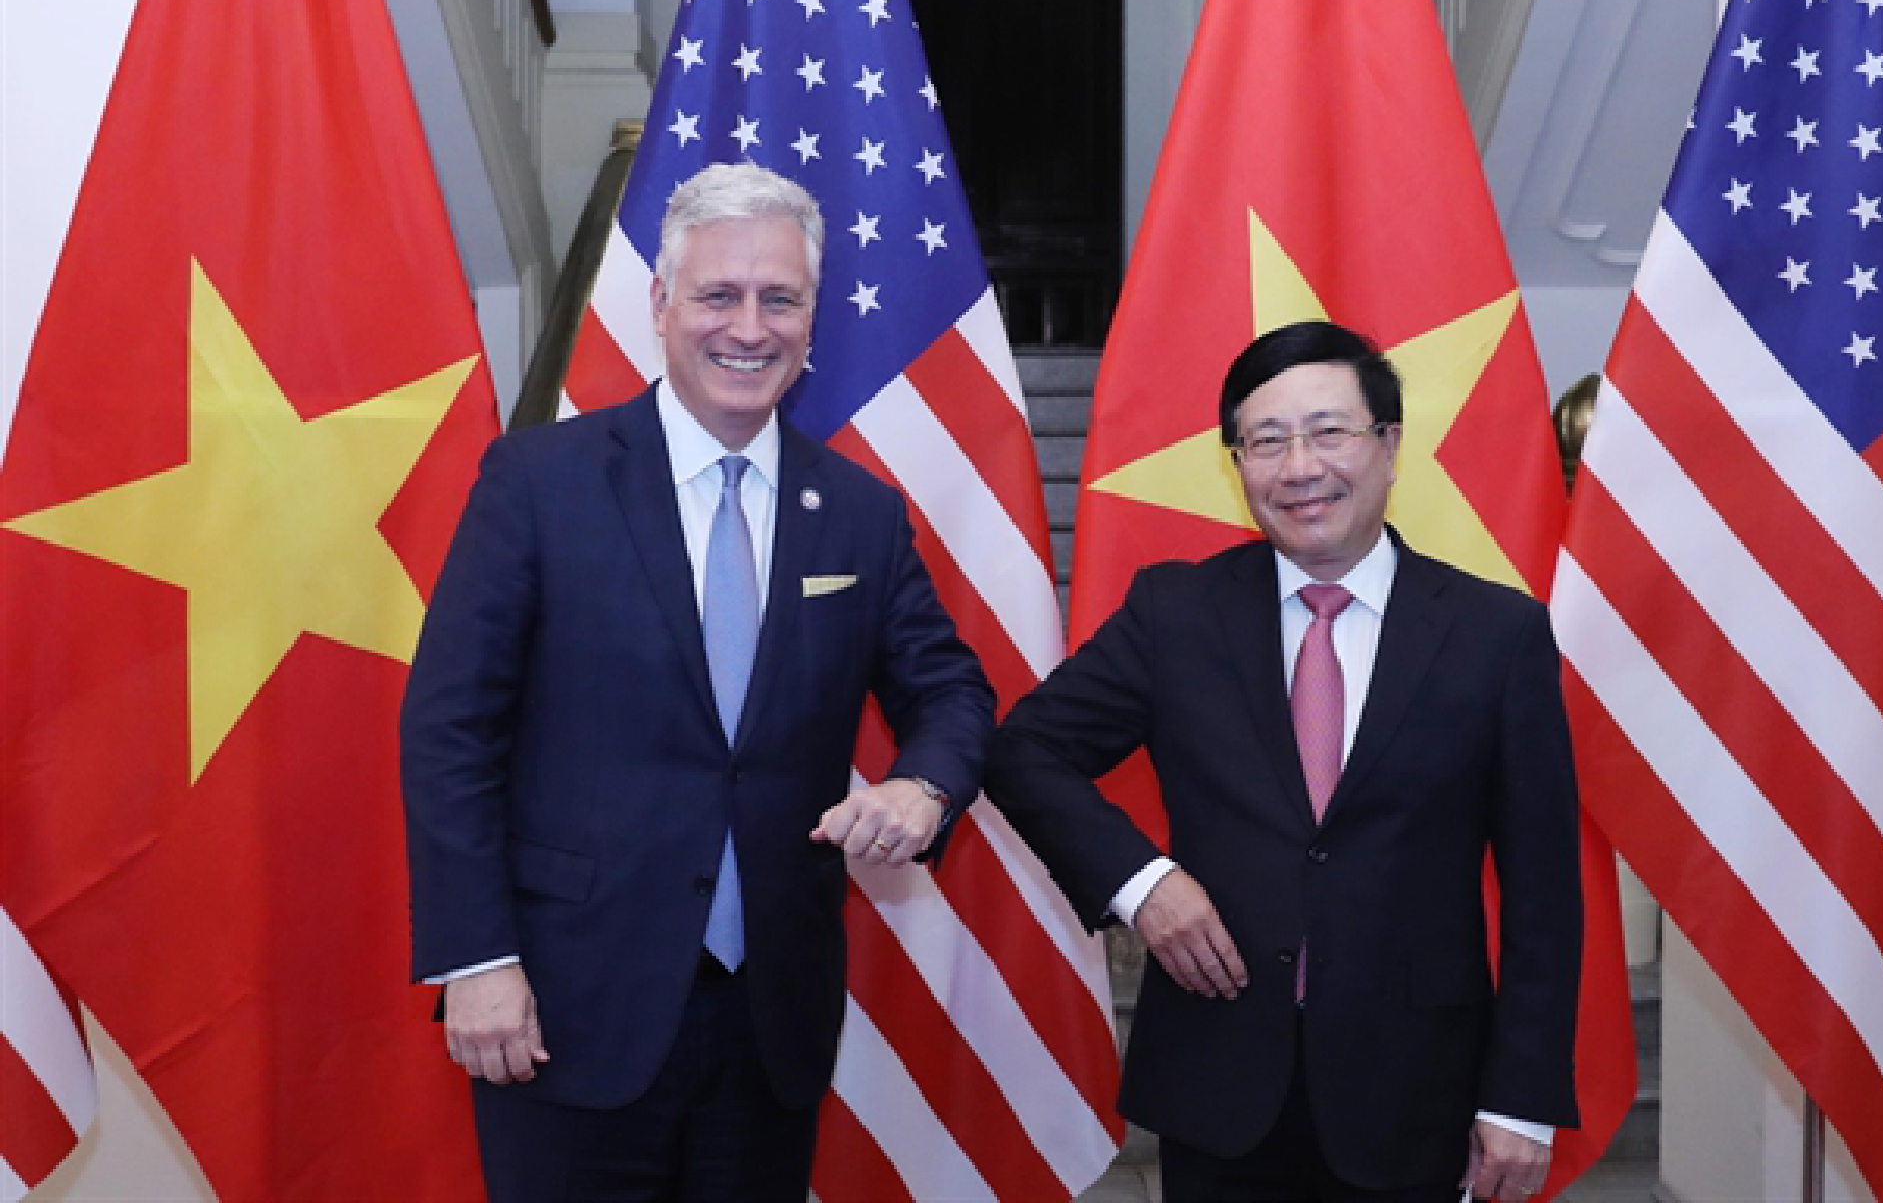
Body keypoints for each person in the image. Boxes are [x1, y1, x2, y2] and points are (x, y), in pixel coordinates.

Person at [400, 161, 993, 1200]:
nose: (749, 328)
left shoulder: (857, 513)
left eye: (780, 300)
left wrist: (922, 786)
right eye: (719, 295)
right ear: (662, 303)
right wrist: (475, 958)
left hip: (768, 1026)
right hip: (560, 1006)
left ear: (813, 319)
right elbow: (450, 732)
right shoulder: (538, 483)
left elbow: (950, 693)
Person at [983, 321, 1582, 1203]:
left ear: (1389, 446)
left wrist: (1522, 1102)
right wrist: (1145, 885)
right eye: (1265, 441)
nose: (1299, 467)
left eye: (1329, 432)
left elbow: (1543, 889)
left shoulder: (1497, 636)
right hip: (1220, 1089)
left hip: (1415, 1093)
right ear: (1238, 465)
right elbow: (1023, 750)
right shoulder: (1176, 613)